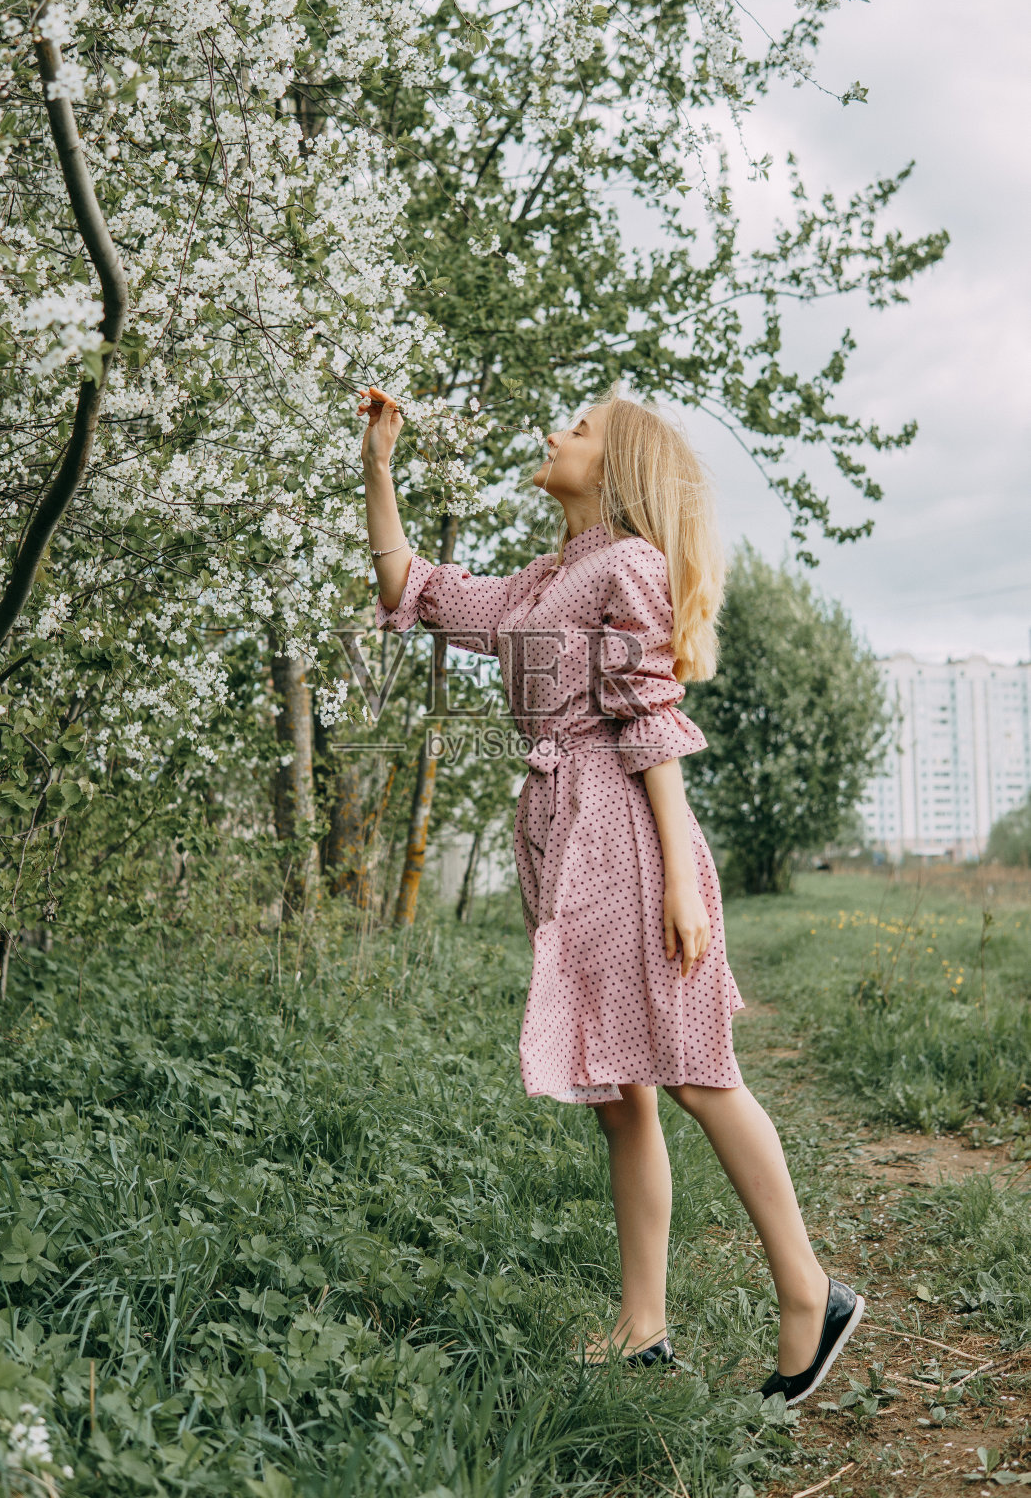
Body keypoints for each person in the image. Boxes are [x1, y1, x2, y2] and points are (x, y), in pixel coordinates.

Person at [360, 383, 863, 1403]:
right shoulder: (549, 576)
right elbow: (412, 585)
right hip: (562, 835)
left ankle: (809, 1290)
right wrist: (379, 463)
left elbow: (648, 719)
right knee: (620, 1091)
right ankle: (642, 1325)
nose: (553, 432)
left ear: (619, 465)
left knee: (691, 1068)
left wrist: (680, 879)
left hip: (627, 836)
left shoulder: (626, 564)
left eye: (578, 427)